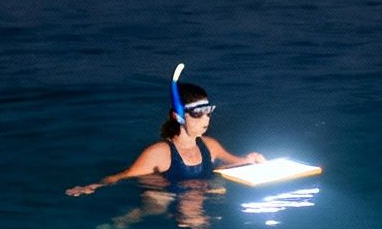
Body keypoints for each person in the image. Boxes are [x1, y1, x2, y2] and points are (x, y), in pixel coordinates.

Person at [66, 80, 265, 196]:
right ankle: (122, 222)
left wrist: (250, 160)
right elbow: (125, 175)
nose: (206, 119)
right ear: (177, 116)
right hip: (165, 195)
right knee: (162, 203)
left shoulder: (210, 146)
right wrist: (93, 186)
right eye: (198, 113)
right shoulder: (160, 154)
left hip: (202, 192)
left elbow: (236, 163)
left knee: (218, 188)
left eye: (208, 112)